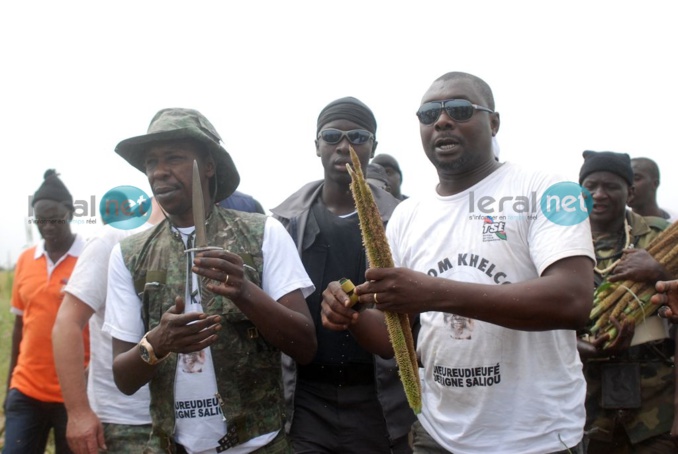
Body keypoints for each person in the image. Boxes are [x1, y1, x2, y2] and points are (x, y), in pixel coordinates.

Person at [321, 72, 595, 453]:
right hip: (438, 436)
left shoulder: (546, 188)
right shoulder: (407, 215)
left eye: (460, 109)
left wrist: (433, 293)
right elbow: (391, 339)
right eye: (429, 113)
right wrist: (348, 314)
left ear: (494, 122)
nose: (442, 120)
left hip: (535, 437)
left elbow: (572, 300)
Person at [103, 107, 317, 453]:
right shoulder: (131, 254)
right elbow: (123, 379)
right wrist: (158, 342)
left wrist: (246, 292)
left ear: (208, 166)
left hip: (258, 445)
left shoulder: (262, 234)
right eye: (151, 163)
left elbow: (305, 346)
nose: (159, 172)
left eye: (173, 158)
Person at [271, 96, 414, 453]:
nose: (344, 146)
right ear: (317, 146)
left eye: (358, 137)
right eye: (332, 136)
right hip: (306, 400)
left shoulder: (404, 220)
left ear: (373, 146)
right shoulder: (285, 223)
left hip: (379, 400)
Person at [576, 150, 678, 452]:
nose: (599, 194)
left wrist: (657, 272)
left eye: (611, 186)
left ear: (630, 192)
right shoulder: (562, 241)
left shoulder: (662, 238)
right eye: (591, 186)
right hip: (584, 407)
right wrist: (574, 345)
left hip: (655, 404)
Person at [52, 197, 165, 454]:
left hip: (189, 423)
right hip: (127, 422)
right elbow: (67, 323)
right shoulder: (115, 237)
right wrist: (79, 413)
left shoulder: (200, 235)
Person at [4, 169, 87, 454]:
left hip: (76, 396)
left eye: (55, 218)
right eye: (41, 220)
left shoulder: (91, 258)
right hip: (26, 391)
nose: (48, 226)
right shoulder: (27, 260)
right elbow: (19, 326)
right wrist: (9, 389)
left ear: (72, 212)